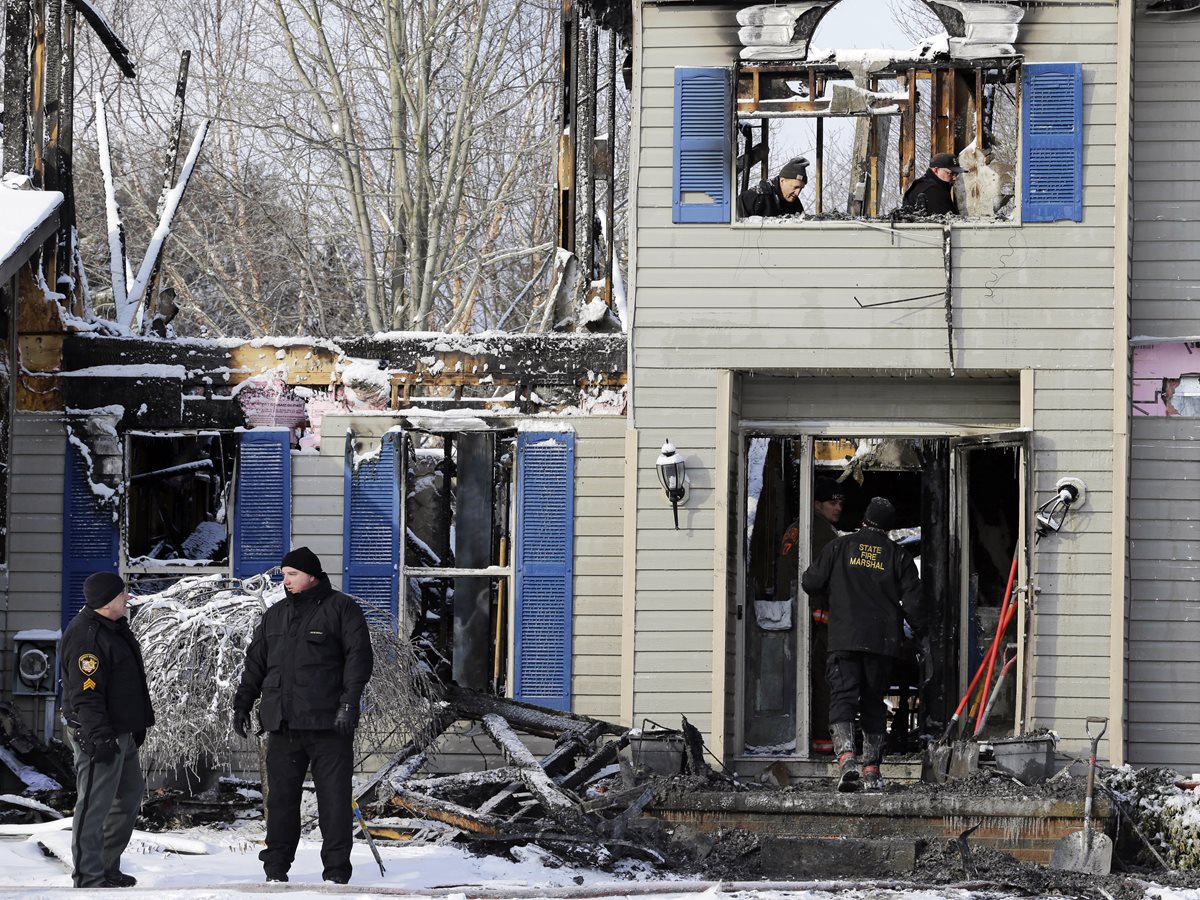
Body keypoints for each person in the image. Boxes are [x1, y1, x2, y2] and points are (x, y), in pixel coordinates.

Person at [233, 547, 374, 885]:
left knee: (334, 803)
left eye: (293, 574)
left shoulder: (342, 609)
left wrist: (349, 705)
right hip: (283, 725)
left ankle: (337, 873)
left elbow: (359, 660)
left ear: (312, 574)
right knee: (280, 802)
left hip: (329, 725)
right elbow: (256, 664)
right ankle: (275, 870)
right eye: (283, 574)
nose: (286, 580)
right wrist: (242, 703)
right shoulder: (275, 615)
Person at [801, 497, 923, 793]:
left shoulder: (839, 548)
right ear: (888, 526)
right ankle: (872, 771)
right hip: (882, 643)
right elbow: (915, 605)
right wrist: (922, 636)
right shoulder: (899, 556)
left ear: (864, 520)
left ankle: (846, 762)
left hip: (844, 639)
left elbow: (810, 583)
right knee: (873, 702)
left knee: (842, 697)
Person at [60, 572, 155, 889]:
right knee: (94, 805)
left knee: (128, 798)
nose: (127, 597)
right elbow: (85, 694)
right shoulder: (87, 637)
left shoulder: (114, 629)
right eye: (122, 594)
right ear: (106, 600)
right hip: (98, 733)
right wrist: (98, 736)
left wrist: (136, 725)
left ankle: (106, 866)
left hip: (122, 731)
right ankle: (88, 875)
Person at [737, 156, 808, 219]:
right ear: (782, 181)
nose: (797, 193)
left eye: (801, 188)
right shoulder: (753, 198)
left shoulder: (795, 204)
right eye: (795, 187)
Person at [901, 151, 961, 216]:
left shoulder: (930, 185)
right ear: (936, 170)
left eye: (956, 174)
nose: (955, 178)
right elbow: (946, 222)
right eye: (951, 173)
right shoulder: (931, 190)